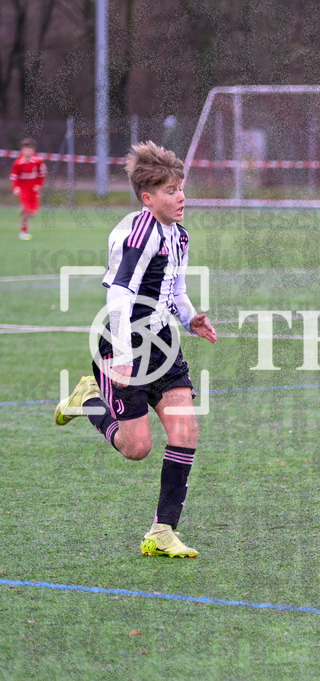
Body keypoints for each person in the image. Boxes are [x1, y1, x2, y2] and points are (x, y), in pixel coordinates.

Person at [54, 141, 218, 556]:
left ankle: (162, 531)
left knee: (185, 431)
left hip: (163, 344)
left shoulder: (179, 235)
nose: (180, 197)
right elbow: (120, 298)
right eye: (170, 190)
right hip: (121, 342)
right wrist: (124, 357)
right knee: (136, 448)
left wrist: (190, 318)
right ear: (148, 198)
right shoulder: (138, 235)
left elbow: (175, 289)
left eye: (181, 188)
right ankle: (89, 399)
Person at [9, 137, 47, 240]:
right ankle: (23, 232)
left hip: (34, 190)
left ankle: (23, 211)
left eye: (29, 149)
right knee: (26, 210)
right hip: (23, 189)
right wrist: (15, 187)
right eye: (25, 149)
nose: (27, 152)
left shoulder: (38, 161)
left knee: (33, 213)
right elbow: (14, 176)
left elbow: (42, 174)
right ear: (22, 151)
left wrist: (39, 185)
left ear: (33, 151)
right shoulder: (18, 163)